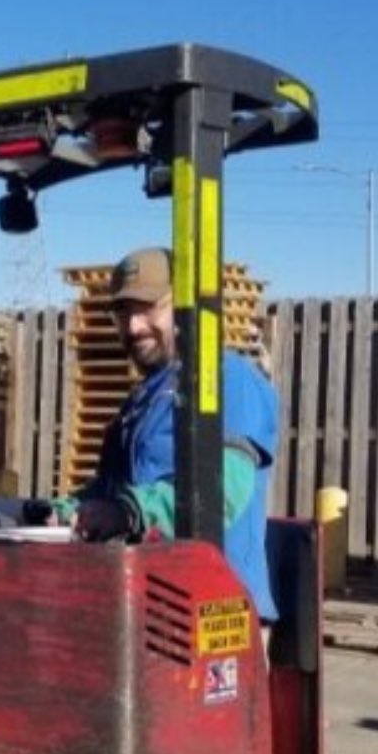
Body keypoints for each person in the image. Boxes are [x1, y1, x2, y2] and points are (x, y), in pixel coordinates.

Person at [49, 247, 279, 623]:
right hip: (145, 609)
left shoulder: (228, 380)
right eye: (123, 312)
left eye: (149, 307)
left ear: (184, 306)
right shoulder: (140, 402)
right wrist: (60, 512)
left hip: (216, 615)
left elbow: (226, 489)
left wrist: (129, 512)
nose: (135, 326)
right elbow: (110, 490)